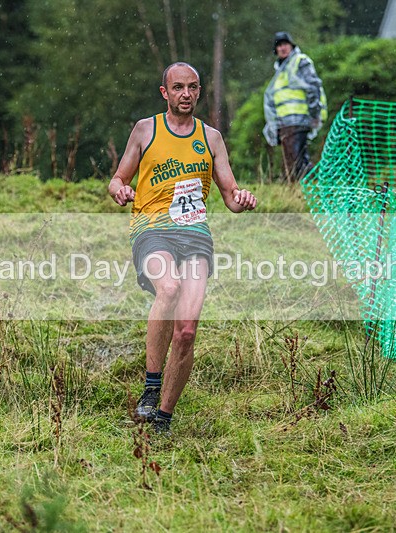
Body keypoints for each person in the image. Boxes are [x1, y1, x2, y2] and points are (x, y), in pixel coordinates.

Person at [108, 62, 257, 435]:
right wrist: (121, 191)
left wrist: (243, 199)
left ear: (199, 91)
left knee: (187, 331)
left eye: (192, 87)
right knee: (169, 288)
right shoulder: (146, 129)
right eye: (178, 88)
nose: (185, 94)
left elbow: (230, 196)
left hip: (195, 236)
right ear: (165, 93)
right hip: (152, 228)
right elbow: (117, 179)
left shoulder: (212, 138)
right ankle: (151, 386)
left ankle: (164, 418)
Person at [263, 31, 327, 182]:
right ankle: (315, 185)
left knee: (294, 162)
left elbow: (313, 87)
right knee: (298, 160)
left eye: (285, 44)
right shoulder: (280, 71)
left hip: (299, 120)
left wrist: (313, 113)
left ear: (291, 46)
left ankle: (301, 189)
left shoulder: (300, 61)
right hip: (286, 123)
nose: (282, 48)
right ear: (276, 50)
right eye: (279, 46)